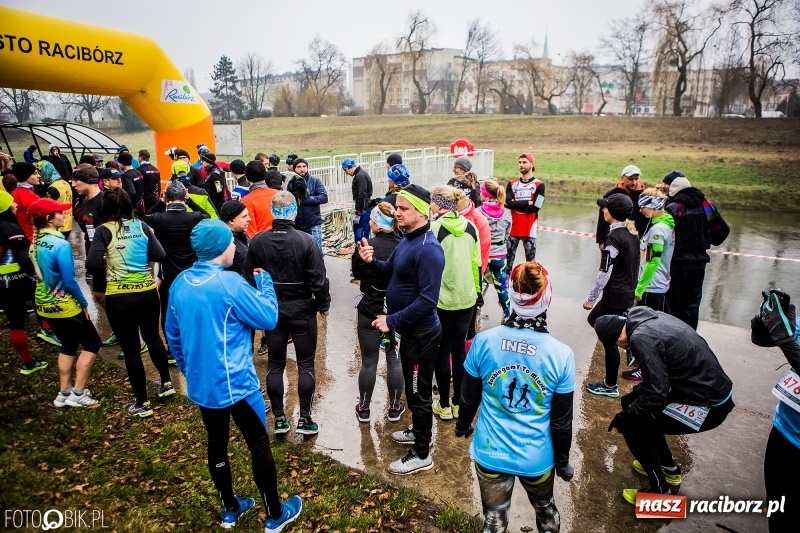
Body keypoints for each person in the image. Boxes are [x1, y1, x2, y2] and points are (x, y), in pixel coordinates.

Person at [165, 218, 303, 531]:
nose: (233, 247)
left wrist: (190, 370)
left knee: (217, 442)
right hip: (237, 384)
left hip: (202, 384)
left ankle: (230, 507)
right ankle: (275, 514)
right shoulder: (230, 283)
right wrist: (266, 285)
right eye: (230, 242)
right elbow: (268, 318)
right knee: (258, 444)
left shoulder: (180, 282)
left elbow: (172, 334)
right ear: (219, 248)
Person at [455, 261, 575, 533]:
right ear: (547, 298)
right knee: (546, 512)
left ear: (510, 293)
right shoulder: (561, 354)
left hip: (490, 453)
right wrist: (563, 461)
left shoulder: (484, 342)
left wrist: (462, 425)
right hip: (537, 458)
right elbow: (561, 421)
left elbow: (468, 395)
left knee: (494, 520)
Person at [597, 308, 734, 503]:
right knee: (632, 403)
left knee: (631, 424)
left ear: (619, 335)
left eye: (617, 344)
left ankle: (661, 493)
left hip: (708, 407)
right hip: (711, 392)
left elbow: (657, 395)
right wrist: (633, 404)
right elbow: (659, 378)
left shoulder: (640, 338)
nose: (622, 348)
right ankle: (668, 468)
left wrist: (626, 416)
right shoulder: (647, 318)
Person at [357, 184, 445, 475]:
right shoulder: (407, 239)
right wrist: (372, 261)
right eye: (397, 207)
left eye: (404, 209)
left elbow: (427, 301)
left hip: (421, 334)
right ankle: (418, 430)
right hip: (409, 333)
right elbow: (389, 270)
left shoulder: (429, 250)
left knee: (419, 392)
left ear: (422, 212)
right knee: (414, 388)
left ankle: (422, 453)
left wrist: (391, 320)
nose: (397, 212)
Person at [245, 191, 331, 436]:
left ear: (274, 213)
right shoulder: (306, 241)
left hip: (273, 311)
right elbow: (319, 280)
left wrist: (261, 295)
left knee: (275, 365)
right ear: (293, 212)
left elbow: (247, 275)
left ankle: (280, 418)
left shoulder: (259, 241)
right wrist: (324, 305)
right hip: (302, 309)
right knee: (305, 365)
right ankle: (304, 418)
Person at [85, 189, 175, 418]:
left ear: (104, 208)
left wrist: (109, 259)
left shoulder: (103, 231)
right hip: (146, 292)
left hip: (119, 296)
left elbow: (92, 265)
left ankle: (143, 403)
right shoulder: (141, 226)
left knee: (132, 349)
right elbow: (160, 254)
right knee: (153, 337)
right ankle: (166, 384)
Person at [29, 198, 102, 408]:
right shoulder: (60, 243)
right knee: (92, 343)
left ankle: (64, 392)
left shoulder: (36, 241)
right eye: (59, 213)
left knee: (68, 344)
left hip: (44, 304)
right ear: (50, 219)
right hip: (65, 305)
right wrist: (83, 304)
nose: (64, 215)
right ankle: (78, 393)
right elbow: (69, 280)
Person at [429, 185, 480, 422]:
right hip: (467, 297)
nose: (430, 206)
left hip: (443, 299)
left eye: (432, 202)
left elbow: (431, 266)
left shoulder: (435, 228)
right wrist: (477, 292)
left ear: (439, 205)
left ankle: (444, 404)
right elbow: (475, 263)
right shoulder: (471, 227)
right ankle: (459, 404)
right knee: (460, 350)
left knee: (443, 350)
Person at [751, 289, 800, 533]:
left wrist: (787, 340)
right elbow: (764, 340)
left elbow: (787, 342)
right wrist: (765, 321)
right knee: (778, 505)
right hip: (783, 431)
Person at [351, 202, 404, 423]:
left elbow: (355, 272)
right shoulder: (404, 246)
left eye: (372, 220)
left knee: (369, 361)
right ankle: (394, 407)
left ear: (376, 223)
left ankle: (364, 407)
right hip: (396, 310)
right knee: (394, 359)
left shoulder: (365, 245)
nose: (370, 223)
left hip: (370, 308)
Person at [583, 193, 639, 398]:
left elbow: (604, 272)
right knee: (594, 320)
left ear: (613, 212)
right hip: (626, 294)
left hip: (614, 297)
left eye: (605, 207)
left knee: (609, 338)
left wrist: (591, 298)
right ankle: (631, 347)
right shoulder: (631, 233)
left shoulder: (614, 237)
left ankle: (609, 385)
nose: (603, 210)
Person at [144, 181, 209, 350]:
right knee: (194, 307)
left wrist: (160, 201)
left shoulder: (159, 219)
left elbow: (144, 218)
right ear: (184, 196)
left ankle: (172, 347)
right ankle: (196, 343)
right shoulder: (194, 218)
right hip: (191, 271)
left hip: (168, 273)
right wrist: (189, 201)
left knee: (167, 309)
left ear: (167, 197)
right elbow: (206, 216)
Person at [0, 191, 45, 374]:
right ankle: (49, 332)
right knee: (41, 304)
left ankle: (27, 361)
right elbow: (22, 258)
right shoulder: (10, 228)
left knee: (15, 322)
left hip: (1, 283)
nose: (16, 205)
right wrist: (36, 274)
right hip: (17, 281)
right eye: (12, 203)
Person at [665, 176, 710, 330]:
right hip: (699, 263)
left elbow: (665, 235)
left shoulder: (673, 208)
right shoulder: (707, 205)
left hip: (676, 263)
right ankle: (691, 337)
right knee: (692, 304)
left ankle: (674, 337)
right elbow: (722, 230)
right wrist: (705, 238)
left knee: (674, 303)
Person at [505, 153, 544, 274]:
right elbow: (507, 203)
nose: (521, 165)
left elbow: (536, 207)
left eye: (524, 162)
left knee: (530, 265)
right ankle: (506, 289)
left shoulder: (540, 185)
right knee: (507, 264)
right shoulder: (512, 184)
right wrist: (528, 201)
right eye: (520, 162)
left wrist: (516, 203)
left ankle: (530, 290)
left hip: (529, 229)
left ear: (532, 164)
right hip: (513, 228)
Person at [479, 179, 512, 317]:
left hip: (482, 256)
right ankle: (508, 315)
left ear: (486, 195)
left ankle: (474, 315)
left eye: (481, 191)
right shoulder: (506, 213)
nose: (479, 193)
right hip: (500, 256)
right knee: (502, 288)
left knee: (477, 287)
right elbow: (508, 234)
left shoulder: (478, 212)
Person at [596, 165, 647, 247]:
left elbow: (647, 219)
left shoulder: (643, 196)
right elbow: (602, 218)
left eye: (636, 179)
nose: (634, 182)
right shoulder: (611, 194)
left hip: (637, 240)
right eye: (630, 179)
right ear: (622, 178)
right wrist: (600, 240)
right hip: (613, 239)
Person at [287, 158, 328, 253]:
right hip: (296, 224)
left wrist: (304, 199)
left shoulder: (315, 180)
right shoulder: (289, 182)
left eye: (304, 166)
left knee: (317, 252)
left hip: (313, 223)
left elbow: (323, 197)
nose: (302, 169)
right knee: (299, 253)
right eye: (299, 167)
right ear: (294, 169)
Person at [242, 161, 277, 237]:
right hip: (283, 241)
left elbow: (250, 232)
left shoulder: (246, 201)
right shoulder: (278, 194)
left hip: (262, 244)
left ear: (246, 177)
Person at [342, 158, 373, 243]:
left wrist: (359, 211)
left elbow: (362, 194)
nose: (346, 173)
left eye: (345, 171)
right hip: (365, 208)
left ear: (348, 168)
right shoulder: (361, 174)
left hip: (363, 209)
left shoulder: (359, 176)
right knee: (363, 233)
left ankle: (360, 254)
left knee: (360, 235)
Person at [219, 200, 251, 278]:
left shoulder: (241, 235)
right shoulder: (227, 244)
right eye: (244, 216)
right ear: (231, 220)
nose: (249, 219)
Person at [44, 166, 74, 240]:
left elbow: (48, 207)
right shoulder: (65, 183)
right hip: (68, 222)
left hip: (57, 224)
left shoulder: (52, 188)